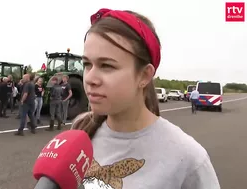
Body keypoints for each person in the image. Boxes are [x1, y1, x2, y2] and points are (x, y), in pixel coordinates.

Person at [72, 8, 220, 189]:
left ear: (144, 75)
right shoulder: (80, 129)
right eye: (87, 64)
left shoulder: (190, 160)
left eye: (107, 66)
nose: (90, 79)